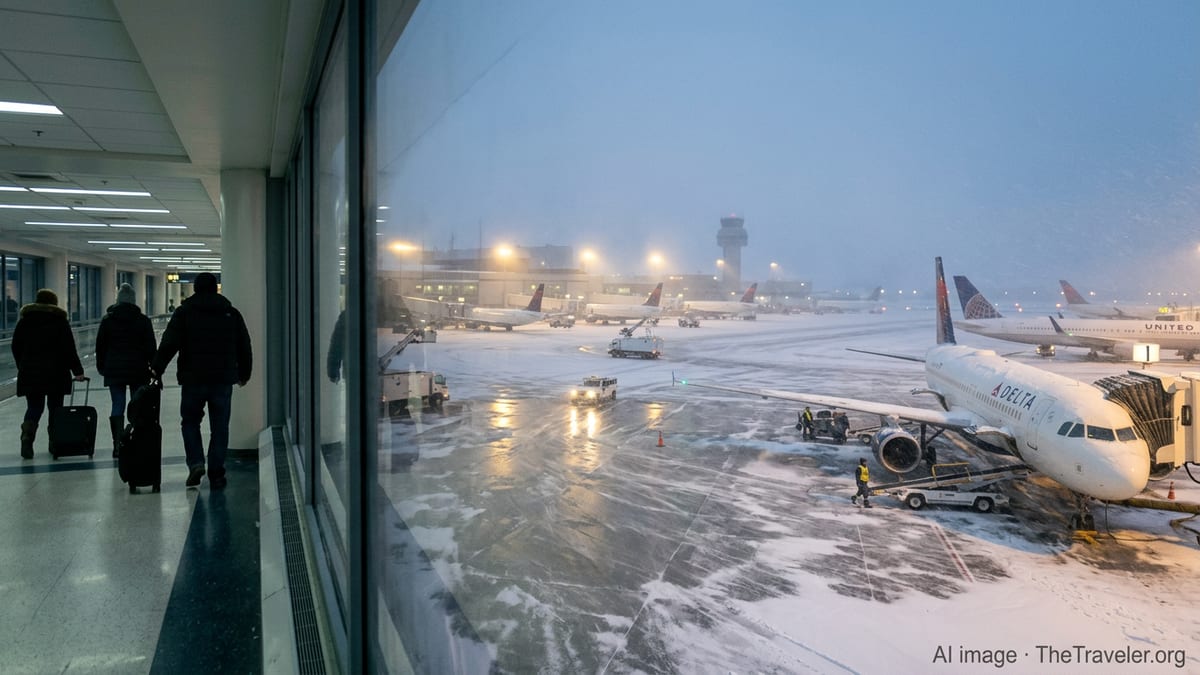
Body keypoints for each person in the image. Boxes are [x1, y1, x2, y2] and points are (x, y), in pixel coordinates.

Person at [152, 273, 252, 489]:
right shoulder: (230, 312)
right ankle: (216, 472)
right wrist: (245, 373)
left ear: (195, 289)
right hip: (222, 380)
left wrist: (157, 368)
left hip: (193, 378)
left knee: (190, 421)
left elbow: (169, 343)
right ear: (216, 288)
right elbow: (244, 344)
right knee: (220, 427)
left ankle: (196, 462)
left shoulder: (184, 313)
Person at [11, 289, 87, 459]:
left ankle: (27, 436)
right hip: (56, 372)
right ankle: (55, 442)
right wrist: (78, 371)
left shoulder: (25, 321)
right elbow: (69, 348)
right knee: (55, 409)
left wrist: (22, 365)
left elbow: (16, 346)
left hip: (30, 372)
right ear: (54, 303)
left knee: (34, 407)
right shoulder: (60, 321)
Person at [96, 283, 157, 456]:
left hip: (114, 369)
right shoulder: (143, 320)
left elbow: (100, 346)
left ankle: (117, 444)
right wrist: (154, 366)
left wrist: (102, 367)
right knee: (137, 403)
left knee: (117, 403)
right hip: (138, 369)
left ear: (118, 300)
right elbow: (150, 346)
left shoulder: (108, 320)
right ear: (134, 301)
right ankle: (136, 439)